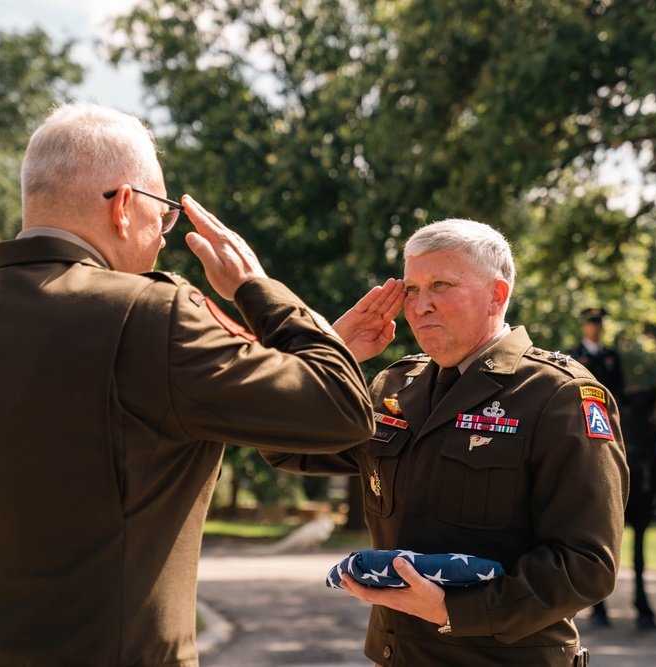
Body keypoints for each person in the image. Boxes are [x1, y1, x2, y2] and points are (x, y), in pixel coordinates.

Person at [0, 102, 375, 666]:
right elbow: (341, 408)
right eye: (164, 216)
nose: (165, 238)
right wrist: (255, 287)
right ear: (124, 205)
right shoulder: (154, 317)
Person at [263, 219, 629, 667]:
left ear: (497, 295)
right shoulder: (393, 387)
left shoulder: (556, 395)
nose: (421, 306)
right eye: (412, 289)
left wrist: (454, 610)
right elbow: (285, 446)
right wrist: (331, 352)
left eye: (441, 285)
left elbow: (586, 564)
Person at [568, 307, 624, 403]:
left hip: (606, 405)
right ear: (583, 326)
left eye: (598, 323)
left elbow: (619, 385)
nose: (594, 327)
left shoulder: (611, 355)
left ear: (602, 326)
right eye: (591, 323)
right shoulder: (573, 354)